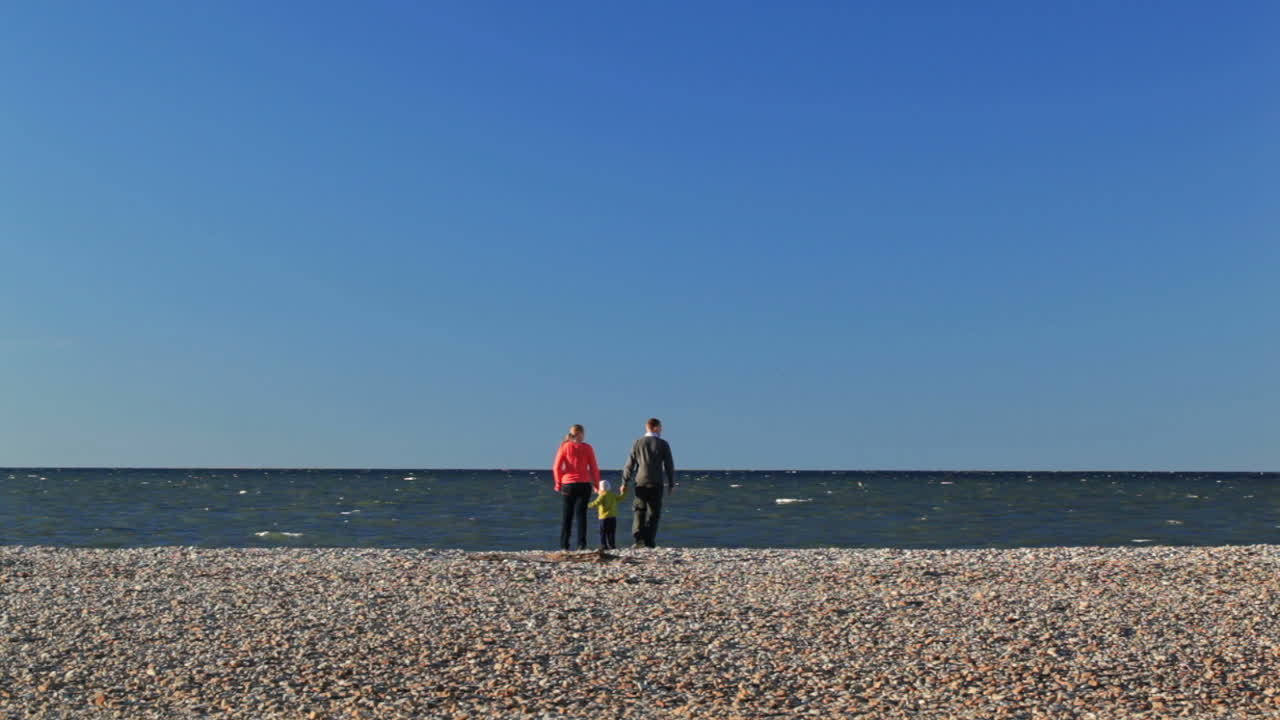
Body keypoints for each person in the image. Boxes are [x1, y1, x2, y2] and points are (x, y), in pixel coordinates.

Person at [619, 418, 675, 548]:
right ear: (655, 427)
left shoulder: (637, 443)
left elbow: (629, 464)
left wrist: (624, 482)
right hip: (656, 482)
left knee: (639, 510)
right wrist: (671, 483)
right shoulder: (663, 444)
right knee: (654, 512)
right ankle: (649, 541)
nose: (661, 429)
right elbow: (669, 465)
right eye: (660, 427)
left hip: (640, 481)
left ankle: (638, 539)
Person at [552, 424, 601, 551]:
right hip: (584, 484)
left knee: (567, 516)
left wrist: (558, 483)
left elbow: (556, 467)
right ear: (581, 434)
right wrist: (596, 485)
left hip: (568, 484)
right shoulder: (587, 448)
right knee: (581, 516)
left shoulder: (564, 447)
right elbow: (593, 468)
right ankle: (581, 545)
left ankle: (564, 545)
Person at [587, 479, 626, 550]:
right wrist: (623, 491)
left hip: (604, 518)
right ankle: (612, 546)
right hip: (613, 517)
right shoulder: (612, 495)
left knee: (603, 533)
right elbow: (621, 497)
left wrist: (586, 505)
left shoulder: (601, 496)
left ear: (600, 488)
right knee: (611, 532)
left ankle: (604, 546)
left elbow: (596, 503)